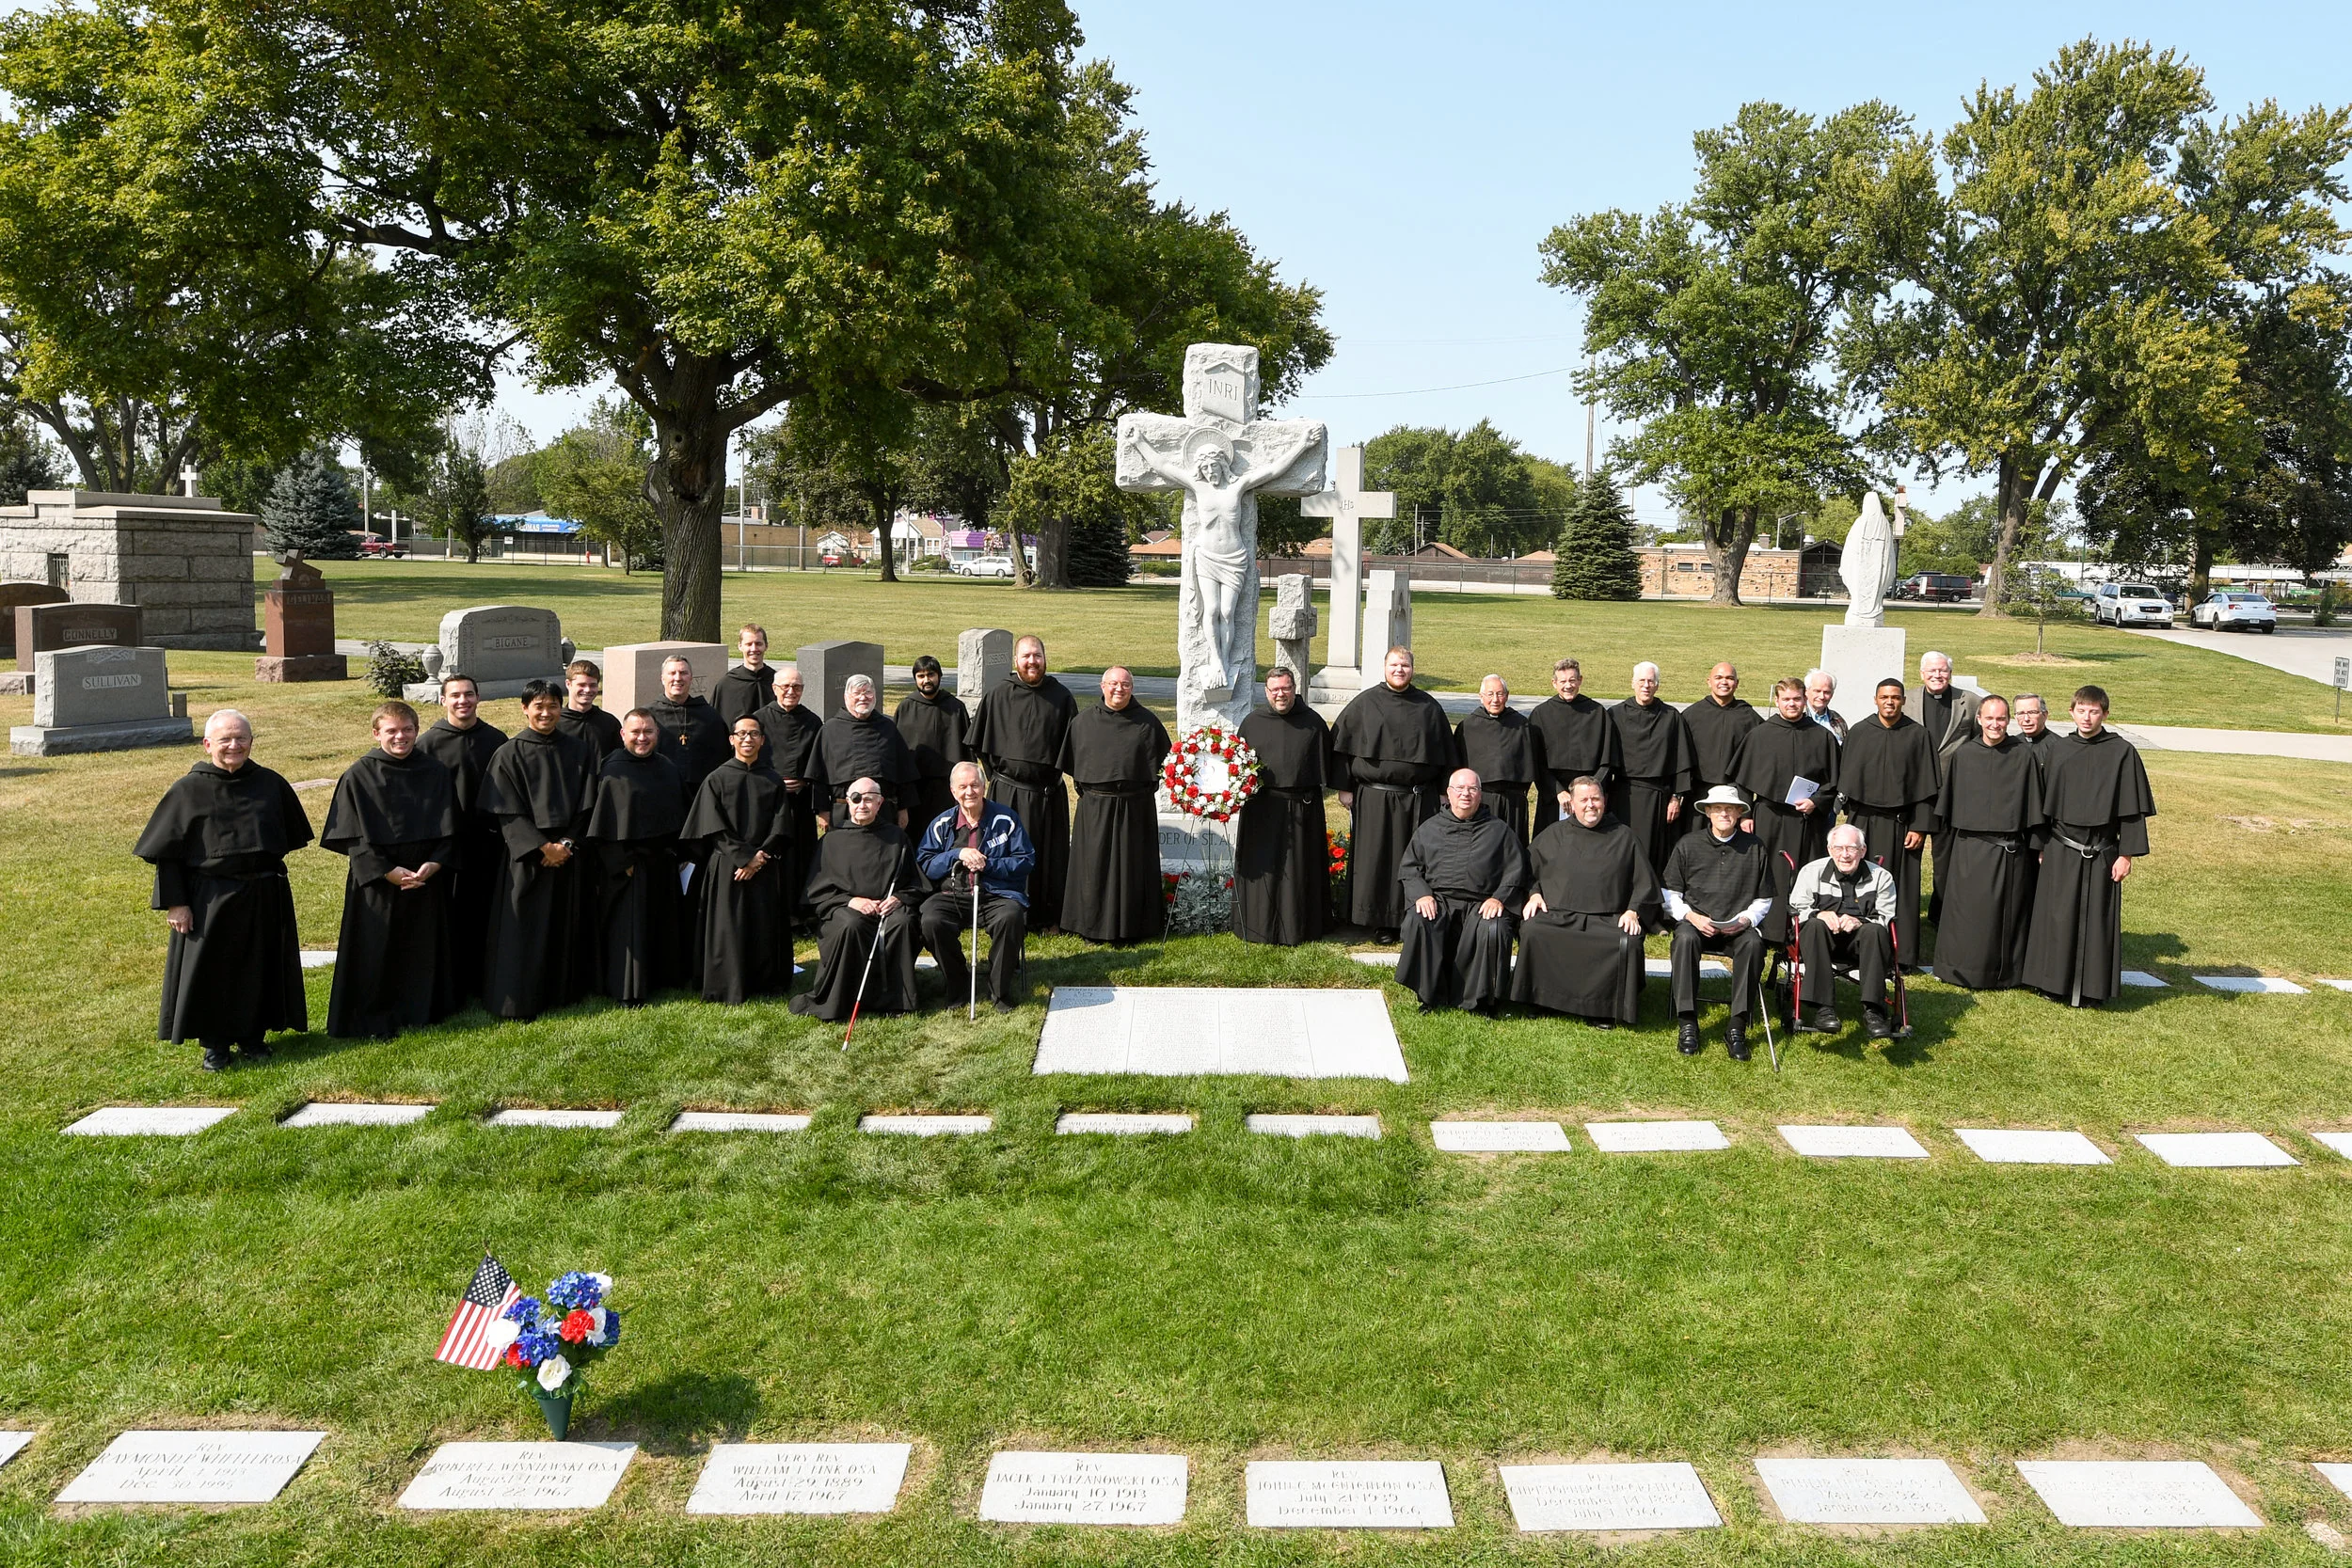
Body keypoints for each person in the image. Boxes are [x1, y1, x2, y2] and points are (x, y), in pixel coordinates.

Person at [135, 709, 313, 1071]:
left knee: (259, 966)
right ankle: (215, 1045)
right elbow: (168, 854)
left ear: (251, 741)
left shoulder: (270, 783)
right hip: (208, 897)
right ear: (207, 744)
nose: (234, 745)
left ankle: (253, 1037)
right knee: (210, 972)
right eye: (225, 740)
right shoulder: (188, 790)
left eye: (241, 738)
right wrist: (176, 903)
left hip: (263, 893)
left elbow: (289, 835)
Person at [321, 701, 458, 1039]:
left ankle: (422, 1010)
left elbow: (452, 826)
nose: (401, 737)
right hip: (379, 881)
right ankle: (374, 1015)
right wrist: (386, 870)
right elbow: (351, 836)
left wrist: (435, 863)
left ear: (417, 730)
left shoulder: (435, 771)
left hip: (425, 876)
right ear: (376, 733)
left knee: (422, 948)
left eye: (407, 730)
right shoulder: (358, 774)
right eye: (392, 731)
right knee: (375, 950)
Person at [2021, 685, 2156, 1007]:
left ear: (2105, 714)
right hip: (2061, 848)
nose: (2087, 716)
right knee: (2056, 917)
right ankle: (2052, 983)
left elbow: (2131, 809)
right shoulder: (2059, 750)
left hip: (2102, 850)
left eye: (2094, 711)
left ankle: (2094, 989)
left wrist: (2126, 855)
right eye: (2081, 710)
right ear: (2071, 712)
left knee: (2098, 920)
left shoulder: (2122, 752)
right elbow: (2042, 805)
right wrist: (2041, 846)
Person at [481, 678, 597, 1021]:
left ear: (561, 708)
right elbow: (505, 811)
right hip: (526, 858)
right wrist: (539, 847)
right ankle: (522, 998)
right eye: (538, 706)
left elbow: (587, 804)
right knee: (523, 930)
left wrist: (566, 843)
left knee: (565, 925)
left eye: (552, 706)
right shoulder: (508, 754)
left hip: (568, 854)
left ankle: (564, 993)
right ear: (525, 709)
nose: (546, 713)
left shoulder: (578, 751)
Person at [1331, 646, 1454, 941]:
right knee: (1378, 859)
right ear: (1385, 667)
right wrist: (1345, 787)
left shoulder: (1428, 707)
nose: (1400, 670)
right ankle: (1380, 920)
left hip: (1418, 798)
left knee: (1418, 858)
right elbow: (1339, 747)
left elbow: (1447, 754)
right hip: (1375, 798)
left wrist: (1442, 791)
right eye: (1395, 665)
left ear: (1413, 669)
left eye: (1405, 665)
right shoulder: (1365, 703)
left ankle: (1417, 916)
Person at [1514, 775, 1657, 1027]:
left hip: (1607, 919)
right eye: (1584, 800)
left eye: (1596, 798)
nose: (1591, 805)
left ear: (1605, 800)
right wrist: (1534, 893)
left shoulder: (1624, 836)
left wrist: (1633, 911)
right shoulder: (1554, 834)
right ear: (1572, 803)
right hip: (1558, 916)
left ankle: (1603, 1009)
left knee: (1626, 941)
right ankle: (1541, 1000)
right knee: (1534, 929)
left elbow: (1645, 883)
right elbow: (1526, 870)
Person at [1932, 695, 2046, 990]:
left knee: (2007, 918)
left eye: (2001, 719)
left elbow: (2033, 808)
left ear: (2007, 721)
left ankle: (2005, 974)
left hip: (2010, 852)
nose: (1995, 724)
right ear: (1979, 720)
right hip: (1969, 850)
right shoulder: (1964, 755)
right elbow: (1948, 811)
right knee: (1966, 915)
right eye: (1990, 718)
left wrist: (2037, 848)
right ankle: (1960, 971)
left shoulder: (2023, 756)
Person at [679, 717, 796, 1003]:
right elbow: (711, 826)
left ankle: (765, 981)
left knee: (763, 925)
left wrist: (759, 858)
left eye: (754, 734)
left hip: (765, 866)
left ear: (762, 741)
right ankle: (726, 984)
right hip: (727, 867)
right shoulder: (716, 779)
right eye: (741, 734)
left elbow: (781, 825)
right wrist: (744, 858)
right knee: (728, 928)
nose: (747, 739)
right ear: (731, 739)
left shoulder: (772, 780)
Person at [966, 635, 1077, 931]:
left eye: (1037, 656)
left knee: (1046, 857)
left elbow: (1073, 749)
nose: (1032, 661)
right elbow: (978, 745)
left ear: (1045, 658)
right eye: (1026, 656)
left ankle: (1045, 917)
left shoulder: (1061, 697)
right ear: (1016, 661)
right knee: (1001, 852)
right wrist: (998, 779)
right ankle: (997, 915)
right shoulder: (998, 694)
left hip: (1046, 795)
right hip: (1006, 791)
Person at [792, 776, 924, 1021]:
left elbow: (914, 883)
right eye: (855, 798)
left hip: (887, 908)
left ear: (880, 802)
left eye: (868, 799)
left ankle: (898, 1001)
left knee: (903, 923)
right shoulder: (832, 840)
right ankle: (846, 998)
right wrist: (851, 901)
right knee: (852, 925)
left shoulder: (897, 838)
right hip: (844, 907)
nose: (861, 804)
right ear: (847, 803)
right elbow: (818, 891)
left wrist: (897, 898)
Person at [1394, 768, 1526, 1013]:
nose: (1466, 794)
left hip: (1481, 903)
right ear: (1449, 793)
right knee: (1419, 919)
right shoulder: (1430, 828)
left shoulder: (1500, 831)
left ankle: (1483, 1001)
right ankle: (1429, 996)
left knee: (1494, 927)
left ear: (1480, 794)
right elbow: (1410, 867)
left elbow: (1516, 871)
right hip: (1439, 901)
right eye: (1460, 789)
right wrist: (1422, 894)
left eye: (1472, 789)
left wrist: (1499, 899)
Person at [1057, 665, 1171, 943]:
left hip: (1136, 808)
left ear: (1132, 688)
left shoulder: (1148, 723)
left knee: (1134, 868)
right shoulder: (1083, 722)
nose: (1119, 689)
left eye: (1125, 685)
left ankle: (1136, 928)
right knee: (1092, 868)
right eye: (1113, 684)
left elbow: (1163, 765)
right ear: (1102, 686)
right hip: (1095, 807)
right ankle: (1090, 926)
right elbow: (1073, 765)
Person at [584, 709, 690, 1005]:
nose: (642, 738)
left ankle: (663, 978)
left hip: (663, 864)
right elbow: (601, 826)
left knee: (661, 926)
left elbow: (680, 813)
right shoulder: (612, 770)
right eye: (635, 732)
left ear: (657, 734)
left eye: (648, 732)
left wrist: (678, 852)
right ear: (623, 735)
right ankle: (629, 988)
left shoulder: (667, 767)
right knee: (629, 931)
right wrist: (621, 864)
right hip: (628, 867)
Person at [1661, 785, 1772, 1058]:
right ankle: (1688, 1022)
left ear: (1738, 813)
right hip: (1696, 921)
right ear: (1707, 812)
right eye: (1718, 808)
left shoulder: (1755, 846)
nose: (1724, 813)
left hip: (1737, 925)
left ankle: (1737, 1026)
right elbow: (1669, 892)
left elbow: (1765, 898)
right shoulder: (1687, 844)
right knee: (1684, 940)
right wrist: (1691, 916)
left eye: (1730, 809)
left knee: (1754, 945)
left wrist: (1746, 920)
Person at [1835, 678, 1938, 968]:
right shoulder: (1860, 732)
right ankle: (1854, 947)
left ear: (1904, 700)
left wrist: (1919, 826)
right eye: (1884, 697)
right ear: (1875, 699)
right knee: (1857, 885)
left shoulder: (1918, 735)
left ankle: (1901, 954)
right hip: (1863, 823)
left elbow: (1927, 788)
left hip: (1901, 826)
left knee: (1900, 888)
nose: (1889, 702)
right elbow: (1848, 780)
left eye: (1895, 697)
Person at [417, 673, 507, 1003]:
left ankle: (484, 979)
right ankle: (450, 983)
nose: (463, 701)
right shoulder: (428, 744)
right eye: (455, 695)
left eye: (469, 694)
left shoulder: (497, 741)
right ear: (443, 700)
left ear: (478, 698)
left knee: (485, 912)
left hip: (487, 843)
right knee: (449, 915)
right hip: (446, 844)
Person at [917, 761, 1036, 1011]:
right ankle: (957, 983)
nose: (969, 792)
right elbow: (926, 863)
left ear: (984, 787)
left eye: (974, 785)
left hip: (997, 894)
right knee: (930, 919)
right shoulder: (941, 823)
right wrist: (956, 854)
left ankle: (999, 991)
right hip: (954, 894)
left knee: (1011, 918)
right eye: (962, 787)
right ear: (953, 791)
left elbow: (1025, 860)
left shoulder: (1007, 819)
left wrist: (988, 864)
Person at [1729, 675, 1838, 942]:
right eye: (1786, 699)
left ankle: (1800, 929)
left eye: (1797, 699)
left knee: (1805, 872)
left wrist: (1817, 802)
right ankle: (1766, 928)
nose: (1792, 704)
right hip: (1769, 817)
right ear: (1777, 701)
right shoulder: (1760, 734)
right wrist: (1744, 814)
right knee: (1769, 872)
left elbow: (1835, 782)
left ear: (1805, 700)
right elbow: (1742, 779)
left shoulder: (1822, 736)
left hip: (1807, 819)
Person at [1233, 667, 1334, 946]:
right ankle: (1257, 927)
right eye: (1274, 689)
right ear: (1266, 692)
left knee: (1299, 871)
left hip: (1302, 809)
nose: (1280, 694)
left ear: (1294, 688)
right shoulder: (1252, 723)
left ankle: (1303, 927)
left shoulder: (1313, 723)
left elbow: (1324, 768)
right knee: (1263, 868)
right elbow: (1238, 769)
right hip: (1261, 809)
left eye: (1286, 688)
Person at [1788, 825, 1900, 1039]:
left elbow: (1886, 915)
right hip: (1821, 941)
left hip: (1860, 942)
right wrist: (1818, 914)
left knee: (1875, 931)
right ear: (1830, 849)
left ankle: (1874, 1011)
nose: (1845, 854)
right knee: (1813, 926)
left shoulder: (1882, 877)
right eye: (1838, 848)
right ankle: (1824, 1009)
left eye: (1851, 848)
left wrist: (1859, 921)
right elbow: (1797, 908)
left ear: (1863, 850)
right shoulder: (1811, 872)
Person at [1905, 649, 1981, 924]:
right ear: (1922, 673)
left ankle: (1941, 914)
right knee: (1908, 854)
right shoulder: (1907, 700)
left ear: (1950, 672)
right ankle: (1905, 912)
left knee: (1945, 860)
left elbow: (1980, 743)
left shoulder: (1970, 702)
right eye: (1932, 671)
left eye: (1943, 671)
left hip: (1953, 794)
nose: (1937, 675)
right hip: (1914, 793)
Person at [752, 663, 825, 926]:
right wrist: (775, 783)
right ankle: (773, 911)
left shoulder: (813, 721)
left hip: (802, 803)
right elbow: (751, 760)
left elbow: (819, 761)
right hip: (771, 803)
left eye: (796, 687)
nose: (791, 691)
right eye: (785, 687)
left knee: (801, 856)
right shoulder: (759, 720)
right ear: (774, 689)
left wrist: (805, 782)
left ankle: (801, 911)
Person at [1609, 661, 1694, 877]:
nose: (1646, 685)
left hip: (1658, 798)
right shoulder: (1615, 715)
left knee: (1653, 858)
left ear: (1657, 685)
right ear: (1632, 683)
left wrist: (1676, 797)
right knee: (1622, 851)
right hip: (1623, 796)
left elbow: (1681, 760)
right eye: (1641, 681)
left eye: (1650, 681)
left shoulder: (1671, 717)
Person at [1528, 657, 1620, 836]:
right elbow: (1535, 761)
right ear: (1554, 683)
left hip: (1589, 799)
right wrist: (1558, 792)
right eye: (1563, 681)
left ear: (1580, 680)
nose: (1568, 686)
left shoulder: (1597, 713)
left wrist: (1589, 793)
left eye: (1572, 680)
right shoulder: (1541, 714)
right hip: (1554, 797)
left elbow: (1607, 760)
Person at [818, 673, 917, 828]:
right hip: (842, 812)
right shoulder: (830, 730)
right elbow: (818, 773)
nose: (863, 698)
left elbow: (904, 771)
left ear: (875, 696)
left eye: (868, 692)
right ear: (846, 697)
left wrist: (903, 809)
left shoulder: (888, 727)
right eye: (857, 693)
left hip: (883, 810)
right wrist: (822, 810)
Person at [1454, 673, 1542, 840]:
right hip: (1481, 799)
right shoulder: (1468, 726)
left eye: (1500, 694)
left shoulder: (1521, 725)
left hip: (1513, 801)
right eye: (1490, 694)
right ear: (1481, 697)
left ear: (1507, 696)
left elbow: (1531, 762)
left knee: (1513, 848)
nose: (1495, 699)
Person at [1681, 661, 1759, 835]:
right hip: (1699, 794)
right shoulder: (1691, 715)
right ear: (1709, 681)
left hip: (1736, 796)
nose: (1724, 682)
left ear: (1737, 683)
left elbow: (1755, 764)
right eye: (1719, 677)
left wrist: (1747, 810)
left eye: (1730, 678)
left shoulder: (1750, 718)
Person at [895, 654, 969, 830]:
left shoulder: (956, 707)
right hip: (915, 789)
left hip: (946, 789)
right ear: (915, 679)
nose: (926, 680)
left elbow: (967, 752)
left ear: (939, 676)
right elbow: (896, 751)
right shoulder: (906, 707)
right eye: (921, 676)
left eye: (931, 675)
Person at [650, 655, 729, 799]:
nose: (678, 678)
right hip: (660, 791)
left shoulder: (710, 716)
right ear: (662, 678)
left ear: (691, 678)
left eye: (683, 673)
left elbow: (722, 757)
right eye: (672, 673)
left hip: (701, 794)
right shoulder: (649, 716)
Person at [712, 623, 778, 728]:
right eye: (749, 644)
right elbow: (717, 724)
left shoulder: (778, 681)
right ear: (740, 646)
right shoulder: (727, 684)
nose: (754, 649)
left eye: (758, 644)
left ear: (766, 646)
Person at [556, 658, 622, 761]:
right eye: (581, 685)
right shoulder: (555, 723)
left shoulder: (610, 723)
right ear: (568, 684)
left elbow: (619, 760)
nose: (587, 690)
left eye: (593, 685)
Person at [1804, 670, 1847, 743]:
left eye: (1826, 692)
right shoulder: (1799, 717)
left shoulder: (1837, 720)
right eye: (1817, 691)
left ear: (1832, 694)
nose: (1822, 696)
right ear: (1806, 691)